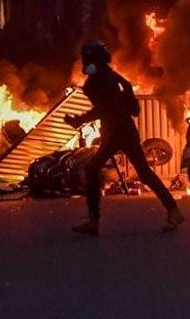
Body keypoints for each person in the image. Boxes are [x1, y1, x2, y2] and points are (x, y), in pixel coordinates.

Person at [66, 40, 183, 235]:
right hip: (121, 130)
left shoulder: (103, 79)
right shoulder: (109, 76)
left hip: (118, 132)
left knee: (94, 167)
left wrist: (80, 120)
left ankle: (94, 220)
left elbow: (106, 108)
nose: (85, 63)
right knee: (143, 172)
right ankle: (173, 210)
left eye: (87, 58)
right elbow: (125, 91)